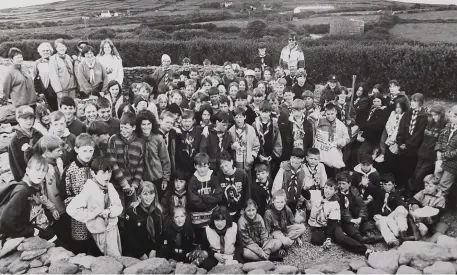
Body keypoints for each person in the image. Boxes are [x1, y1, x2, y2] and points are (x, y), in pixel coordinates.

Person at [67, 157, 123, 256]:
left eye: (109, 172)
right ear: (93, 173)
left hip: (113, 229)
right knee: (111, 260)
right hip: (100, 232)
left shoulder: (110, 186)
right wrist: (93, 214)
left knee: (117, 255)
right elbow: (71, 209)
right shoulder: (89, 189)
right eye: (103, 173)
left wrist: (109, 211)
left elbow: (119, 206)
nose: (107, 176)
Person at [305, 179, 374, 257]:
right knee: (315, 240)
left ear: (335, 191)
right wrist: (305, 188)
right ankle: (335, 238)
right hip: (319, 225)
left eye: (331, 189)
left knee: (341, 238)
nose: (327, 191)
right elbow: (306, 194)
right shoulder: (318, 196)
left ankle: (365, 250)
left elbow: (332, 223)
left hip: (332, 225)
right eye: (326, 187)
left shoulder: (335, 204)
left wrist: (328, 237)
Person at [0, 155, 59, 242]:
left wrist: (52, 210)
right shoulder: (22, 191)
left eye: (43, 171)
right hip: (35, 233)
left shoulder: (36, 185)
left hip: (43, 228)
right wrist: (32, 231)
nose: (40, 174)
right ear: (28, 170)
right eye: (37, 170)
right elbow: (6, 221)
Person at [61, 133, 98, 254]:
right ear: (77, 150)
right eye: (85, 151)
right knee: (81, 244)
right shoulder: (70, 170)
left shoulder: (97, 166)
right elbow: (65, 194)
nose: (88, 154)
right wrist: (79, 208)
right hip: (79, 215)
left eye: (91, 151)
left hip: (96, 212)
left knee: (96, 241)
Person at [107, 112, 145, 211]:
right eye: (122, 127)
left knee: (131, 211)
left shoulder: (140, 143)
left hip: (132, 185)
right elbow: (112, 163)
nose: (123, 130)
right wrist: (124, 183)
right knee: (119, 211)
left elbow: (140, 165)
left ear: (134, 127)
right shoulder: (114, 140)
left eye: (126, 128)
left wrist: (135, 184)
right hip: (117, 184)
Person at [410, 105, 447, 194]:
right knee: (415, 173)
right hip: (422, 153)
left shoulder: (445, 126)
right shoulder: (430, 123)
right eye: (432, 115)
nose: (433, 117)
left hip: (431, 157)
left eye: (435, 115)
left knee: (420, 175)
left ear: (441, 115)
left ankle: (415, 193)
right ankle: (412, 193)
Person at [336, 171, 381, 244]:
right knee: (347, 225)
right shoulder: (336, 194)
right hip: (344, 218)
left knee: (361, 215)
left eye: (343, 184)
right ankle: (360, 238)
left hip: (354, 215)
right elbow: (341, 210)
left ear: (349, 184)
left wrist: (359, 218)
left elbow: (362, 205)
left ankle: (369, 233)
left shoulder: (354, 191)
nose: (341, 186)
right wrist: (351, 220)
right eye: (339, 183)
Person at [123, 181, 164, 259]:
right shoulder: (132, 212)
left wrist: (154, 249)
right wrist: (141, 254)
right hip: (136, 251)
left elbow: (159, 234)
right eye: (145, 194)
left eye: (151, 193)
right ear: (139, 195)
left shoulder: (158, 211)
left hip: (152, 250)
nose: (149, 197)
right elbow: (129, 237)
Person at [396, 93, 428, 192]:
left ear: (421, 104)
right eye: (412, 101)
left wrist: (407, 144)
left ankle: (407, 189)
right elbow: (401, 127)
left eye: (415, 101)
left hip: (413, 148)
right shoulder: (408, 113)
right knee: (401, 166)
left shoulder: (423, 116)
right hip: (403, 146)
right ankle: (400, 186)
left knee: (410, 169)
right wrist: (400, 142)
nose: (412, 103)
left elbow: (418, 134)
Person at [136, 110, 171, 199]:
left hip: (157, 178)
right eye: (143, 124)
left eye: (149, 124)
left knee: (156, 201)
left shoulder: (158, 138)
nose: (146, 127)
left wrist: (165, 180)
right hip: (142, 178)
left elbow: (165, 160)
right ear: (139, 125)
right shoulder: (136, 139)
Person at [372, 174, 409, 247]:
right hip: (381, 218)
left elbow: (404, 206)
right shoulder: (378, 193)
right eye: (385, 184)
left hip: (391, 219)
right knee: (382, 223)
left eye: (389, 185)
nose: (387, 187)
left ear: (393, 185)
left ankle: (403, 232)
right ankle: (392, 241)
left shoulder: (395, 194)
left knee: (401, 208)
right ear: (382, 185)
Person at [188, 153, 223, 229]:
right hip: (198, 215)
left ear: (209, 165)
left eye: (205, 166)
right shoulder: (193, 180)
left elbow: (219, 196)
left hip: (212, 213)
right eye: (199, 166)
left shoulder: (213, 178)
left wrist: (203, 197)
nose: (202, 169)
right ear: (195, 166)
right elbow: (194, 201)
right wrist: (209, 202)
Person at [200, 205, 241, 270]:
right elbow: (204, 248)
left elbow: (239, 245)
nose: (219, 223)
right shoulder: (207, 230)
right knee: (206, 266)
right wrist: (214, 254)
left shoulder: (234, 227)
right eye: (217, 220)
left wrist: (235, 258)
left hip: (231, 255)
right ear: (213, 220)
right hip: (216, 256)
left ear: (226, 219)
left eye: (222, 220)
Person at [9, 106, 43, 181]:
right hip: (25, 177)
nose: (29, 121)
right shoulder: (14, 140)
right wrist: (22, 179)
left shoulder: (38, 134)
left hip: (40, 173)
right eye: (25, 118)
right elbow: (15, 164)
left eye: (31, 118)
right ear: (18, 119)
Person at [408, 175, 447, 239]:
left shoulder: (441, 198)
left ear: (437, 186)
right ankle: (417, 234)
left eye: (430, 186)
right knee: (413, 210)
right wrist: (416, 207)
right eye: (426, 186)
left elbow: (438, 212)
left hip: (432, 219)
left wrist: (427, 216)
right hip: (419, 217)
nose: (427, 188)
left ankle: (430, 241)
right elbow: (413, 200)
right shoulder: (422, 192)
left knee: (443, 226)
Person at [315, 103, 350, 174]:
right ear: (325, 113)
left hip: (333, 152)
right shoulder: (320, 121)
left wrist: (337, 143)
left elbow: (347, 138)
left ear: (336, 112)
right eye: (328, 114)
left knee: (331, 172)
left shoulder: (341, 125)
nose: (330, 116)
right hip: (321, 151)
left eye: (332, 114)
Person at [272, 148, 307, 214]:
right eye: (294, 157)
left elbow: (303, 185)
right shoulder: (284, 168)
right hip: (284, 200)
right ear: (290, 157)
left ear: (302, 159)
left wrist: (301, 199)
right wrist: (278, 199)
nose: (295, 160)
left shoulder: (304, 170)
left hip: (296, 199)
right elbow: (277, 185)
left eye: (298, 158)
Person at [375, 97, 409, 164]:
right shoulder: (393, 113)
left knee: (393, 155)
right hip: (390, 136)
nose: (397, 109)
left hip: (396, 138)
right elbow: (388, 124)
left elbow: (398, 128)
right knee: (387, 152)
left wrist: (393, 138)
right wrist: (390, 134)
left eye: (399, 107)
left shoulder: (405, 116)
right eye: (396, 107)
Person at [218, 151, 250, 220]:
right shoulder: (219, 177)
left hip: (240, 211)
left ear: (231, 162)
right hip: (225, 212)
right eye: (222, 167)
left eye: (226, 165)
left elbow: (247, 193)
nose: (225, 169)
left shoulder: (242, 174)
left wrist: (245, 208)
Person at [253, 101, 282, 173]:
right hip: (258, 155)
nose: (264, 114)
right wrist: (258, 155)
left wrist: (272, 156)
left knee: (267, 175)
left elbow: (278, 141)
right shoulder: (254, 124)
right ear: (259, 112)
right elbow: (252, 141)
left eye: (266, 112)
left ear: (270, 112)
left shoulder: (274, 124)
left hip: (270, 156)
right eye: (262, 112)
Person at [358, 93, 389, 161]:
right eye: (374, 101)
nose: (376, 103)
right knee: (362, 153)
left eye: (378, 101)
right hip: (369, 136)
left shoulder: (384, 111)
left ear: (382, 101)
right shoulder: (374, 110)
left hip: (376, 137)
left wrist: (367, 125)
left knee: (363, 153)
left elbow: (380, 124)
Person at [435, 105, 457, 198]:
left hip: (452, 163)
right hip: (440, 160)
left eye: (454, 117)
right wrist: (438, 151)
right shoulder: (447, 127)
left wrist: (444, 155)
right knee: (436, 180)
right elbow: (439, 140)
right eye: (450, 116)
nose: (451, 119)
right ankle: (431, 202)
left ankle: (438, 207)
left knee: (443, 186)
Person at [229, 107, 260, 172]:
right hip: (236, 162)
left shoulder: (251, 129)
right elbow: (228, 146)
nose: (238, 120)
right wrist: (232, 146)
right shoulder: (231, 131)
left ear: (245, 117)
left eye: (240, 117)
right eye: (236, 117)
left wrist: (252, 156)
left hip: (248, 162)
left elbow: (256, 146)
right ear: (234, 118)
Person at [49, 39, 77, 107]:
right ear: (56, 48)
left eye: (63, 46)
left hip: (72, 88)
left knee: (72, 107)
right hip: (62, 90)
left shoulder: (68, 57)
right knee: (63, 108)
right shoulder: (53, 59)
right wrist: (58, 91)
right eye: (59, 47)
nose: (61, 48)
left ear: (66, 47)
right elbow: (53, 76)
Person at [178, 109, 205, 174]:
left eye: (189, 121)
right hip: (180, 165)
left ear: (193, 121)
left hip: (194, 164)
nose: (187, 123)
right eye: (185, 121)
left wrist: (206, 128)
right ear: (181, 121)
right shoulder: (177, 131)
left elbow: (212, 127)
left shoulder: (199, 130)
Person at [33, 42, 58, 111]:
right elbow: (35, 78)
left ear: (50, 51)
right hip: (45, 90)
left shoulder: (55, 60)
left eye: (47, 50)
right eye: (43, 51)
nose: (45, 52)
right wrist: (38, 92)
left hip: (57, 88)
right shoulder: (37, 63)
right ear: (40, 52)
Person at [158, 111, 179, 175]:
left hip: (169, 169)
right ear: (160, 121)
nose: (169, 125)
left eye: (171, 123)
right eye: (167, 122)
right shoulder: (155, 135)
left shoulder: (172, 134)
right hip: (157, 170)